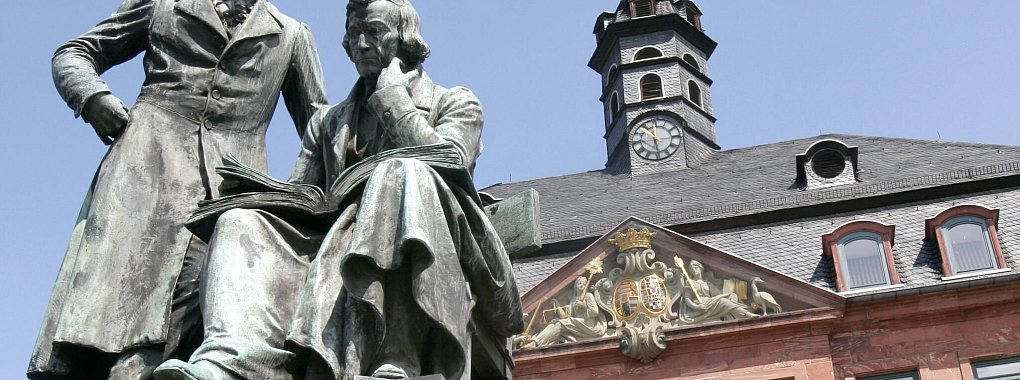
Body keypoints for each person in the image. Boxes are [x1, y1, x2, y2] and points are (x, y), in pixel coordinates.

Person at [152, 0, 523, 379]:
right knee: (241, 220)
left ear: (405, 38)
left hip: (425, 245)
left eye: (374, 32)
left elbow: (451, 163)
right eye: (354, 33)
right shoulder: (327, 122)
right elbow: (302, 198)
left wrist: (393, 101)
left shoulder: (456, 101)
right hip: (333, 244)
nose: (361, 43)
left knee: (398, 171)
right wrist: (257, 194)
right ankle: (232, 358)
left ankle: (396, 357)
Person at [30, 0, 327, 378]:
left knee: (191, 308)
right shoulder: (163, 5)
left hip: (227, 189)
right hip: (142, 173)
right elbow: (75, 52)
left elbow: (320, 126)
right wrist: (92, 97)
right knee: (111, 307)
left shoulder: (292, 35)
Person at [520, 277, 608, 348]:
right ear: (575, 286)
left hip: (588, 324)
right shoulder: (573, 299)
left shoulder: (588, 295)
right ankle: (535, 342)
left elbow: (595, 312)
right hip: (577, 323)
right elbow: (565, 316)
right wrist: (557, 305)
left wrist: (583, 305)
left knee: (560, 324)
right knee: (552, 324)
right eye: (579, 283)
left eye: (584, 284)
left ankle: (535, 344)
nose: (582, 285)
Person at [680, 260, 755, 323]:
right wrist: (697, 307)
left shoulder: (707, 283)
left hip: (710, 301)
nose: (694, 270)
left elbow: (719, 294)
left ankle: (730, 318)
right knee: (723, 301)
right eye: (692, 269)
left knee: (732, 295)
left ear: (701, 269)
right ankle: (746, 314)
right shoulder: (690, 282)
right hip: (701, 304)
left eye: (695, 268)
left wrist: (733, 283)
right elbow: (687, 299)